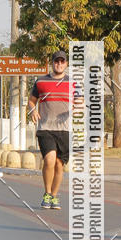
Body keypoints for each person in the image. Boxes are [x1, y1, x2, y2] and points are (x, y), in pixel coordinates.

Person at [28, 50, 72, 210]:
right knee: (50, 160)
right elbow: (32, 101)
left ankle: (54, 196)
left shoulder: (72, 83)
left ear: (66, 64)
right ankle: (47, 193)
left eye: (62, 61)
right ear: (52, 63)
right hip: (45, 128)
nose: (59, 64)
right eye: (56, 61)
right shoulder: (40, 81)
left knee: (60, 165)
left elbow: (80, 102)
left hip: (65, 130)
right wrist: (32, 110)